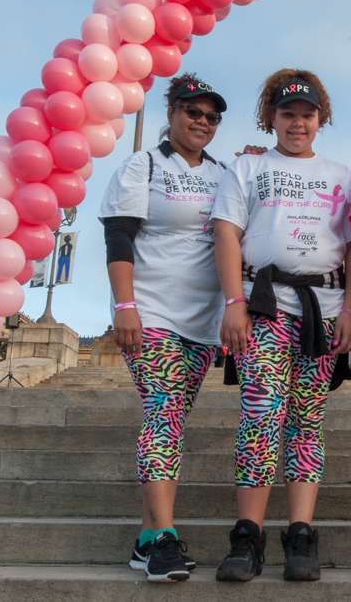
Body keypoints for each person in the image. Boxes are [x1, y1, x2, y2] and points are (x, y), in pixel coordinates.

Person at [211, 69, 351, 583]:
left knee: (306, 423)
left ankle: (301, 532)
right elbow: (227, 235)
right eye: (288, 114)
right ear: (270, 118)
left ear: (321, 120)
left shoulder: (343, 175)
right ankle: (247, 534)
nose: (298, 123)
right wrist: (233, 301)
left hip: (322, 308)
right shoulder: (248, 169)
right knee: (260, 417)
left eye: (307, 114)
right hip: (264, 305)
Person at [100, 73, 229, 583]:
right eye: (192, 112)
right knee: (164, 412)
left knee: (172, 418)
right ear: (171, 114)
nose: (201, 122)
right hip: (151, 311)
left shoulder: (224, 173)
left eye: (211, 116)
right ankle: (165, 541)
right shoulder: (143, 164)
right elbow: (119, 238)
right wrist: (124, 304)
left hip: (202, 322)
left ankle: (145, 537)